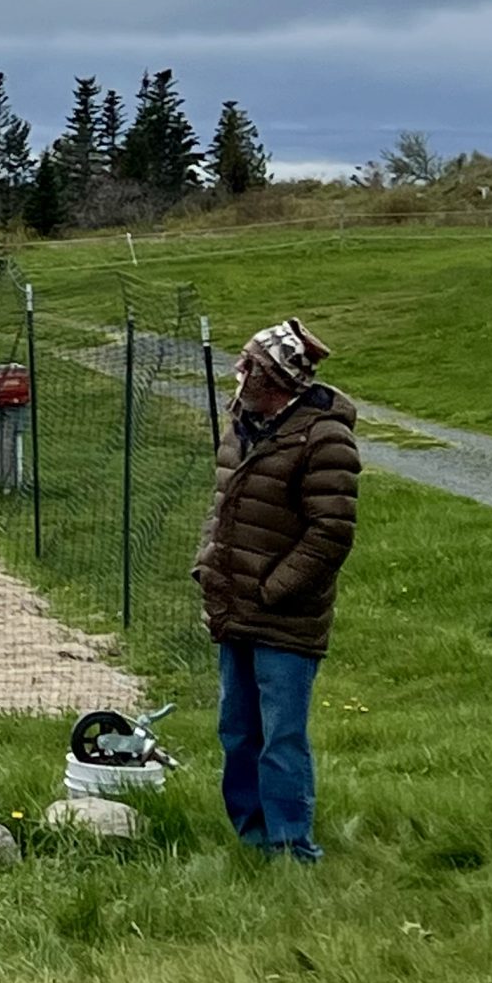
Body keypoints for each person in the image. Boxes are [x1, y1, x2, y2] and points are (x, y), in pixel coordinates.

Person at [193, 318, 358, 862]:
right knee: (237, 730)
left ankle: (292, 849)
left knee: (281, 738)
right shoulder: (240, 424)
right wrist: (207, 567)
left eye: (248, 364)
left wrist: (271, 589)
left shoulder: (325, 437)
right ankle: (251, 839)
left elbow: (330, 533)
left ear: (274, 378)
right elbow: (222, 507)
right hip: (233, 605)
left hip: (285, 616)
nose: (237, 373)